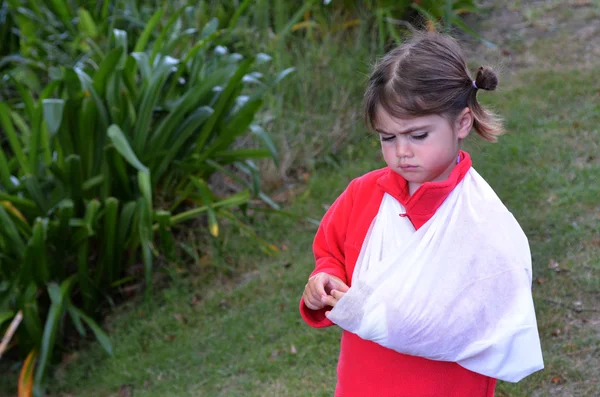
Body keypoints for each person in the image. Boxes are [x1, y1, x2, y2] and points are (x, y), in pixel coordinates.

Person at [299, 31, 544, 397]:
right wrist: (323, 281)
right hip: (364, 380)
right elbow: (330, 254)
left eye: (417, 135)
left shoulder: (480, 220)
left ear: (461, 123)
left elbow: (490, 316)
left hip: (447, 385)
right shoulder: (362, 196)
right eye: (388, 138)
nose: (402, 152)